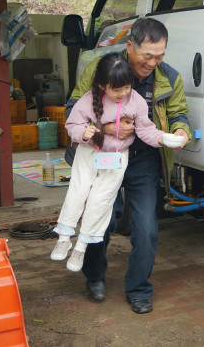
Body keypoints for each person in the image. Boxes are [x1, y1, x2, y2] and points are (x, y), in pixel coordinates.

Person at [65, 17, 191, 314]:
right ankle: (94, 277)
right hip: (105, 158)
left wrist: (181, 130)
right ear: (130, 46)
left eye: (160, 55)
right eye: (147, 55)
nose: (153, 62)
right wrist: (106, 129)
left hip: (143, 161)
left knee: (146, 229)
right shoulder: (101, 69)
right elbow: (73, 110)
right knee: (101, 220)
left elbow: (178, 114)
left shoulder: (168, 77)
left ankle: (138, 289)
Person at [51, 53, 167, 272]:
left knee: (100, 201)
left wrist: (161, 138)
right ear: (102, 85)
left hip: (116, 158)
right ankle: (64, 236)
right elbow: (72, 124)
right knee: (77, 192)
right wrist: (83, 133)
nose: (123, 93)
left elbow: (146, 129)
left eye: (127, 87)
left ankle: (81, 246)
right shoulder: (88, 100)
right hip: (88, 154)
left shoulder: (137, 101)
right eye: (117, 89)